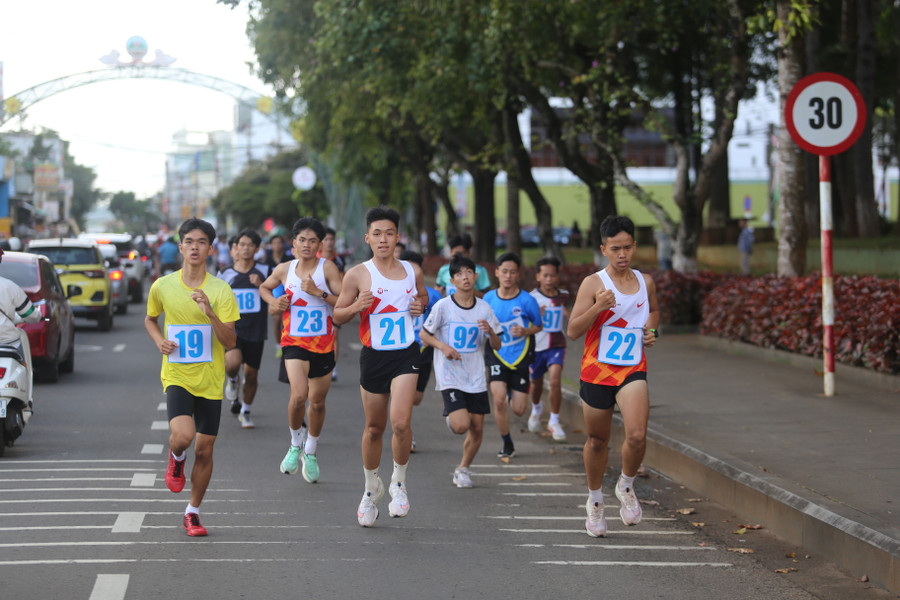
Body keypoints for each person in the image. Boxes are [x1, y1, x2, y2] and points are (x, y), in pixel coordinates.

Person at [144, 218, 239, 537]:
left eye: (201, 242)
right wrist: (159, 341)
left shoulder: (221, 290)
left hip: (210, 380)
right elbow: (150, 319)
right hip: (178, 375)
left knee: (206, 449)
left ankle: (193, 512)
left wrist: (210, 311)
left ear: (211, 248)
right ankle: (176, 455)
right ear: (180, 246)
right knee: (184, 437)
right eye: (189, 241)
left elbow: (230, 342)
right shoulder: (162, 286)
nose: (194, 247)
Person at [333, 206, 427, 527]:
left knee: (400, 423)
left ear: (398, 237)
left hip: (406, 354)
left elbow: (422, 297)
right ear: (368, 238)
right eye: (377, 234)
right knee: (374, 428)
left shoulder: (412, 271)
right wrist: (357, 306)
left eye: (389, 233)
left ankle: (398, 482)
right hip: (374, 356)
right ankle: (371, 487)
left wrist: (419, 305)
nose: (383, 239)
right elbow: (337, 315)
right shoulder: (358, 274)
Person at [566, 215, 660, 538]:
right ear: (604, 249)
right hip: (596, 370)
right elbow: (573, 330)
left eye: (628, 248)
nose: (622, 255)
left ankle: (626, 484)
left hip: (632, 367)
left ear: (635, 247)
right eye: (615, 249)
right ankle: (594, 501)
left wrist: (652, 331)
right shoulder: (593, 284)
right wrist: (597, 308)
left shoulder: (645, 283)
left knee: (637, 434)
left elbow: (654, 313)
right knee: (598, 441)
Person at [260, 217, 342, 484]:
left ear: (319, 244)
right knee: (298, 396)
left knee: (317, 402)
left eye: (312, 240)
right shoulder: (285, 269)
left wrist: (319, 293)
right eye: (302, 240)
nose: (307, 245)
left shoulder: (327, 269)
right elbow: (264, 287)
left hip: (323, 345)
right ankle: (295, 443)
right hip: (293, 342)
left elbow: (343, 302)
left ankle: (311, 450)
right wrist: (274, 302)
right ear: (293, 242)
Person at [419, 255, 502, 488]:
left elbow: (498, 345)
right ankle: (453, 417)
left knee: (477, 428)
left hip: (475, 375)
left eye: (469, 272)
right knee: (461, 425)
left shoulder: (485, 308)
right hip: (449, 374)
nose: (465, 277)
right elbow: (425, 335)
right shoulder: (443, 306)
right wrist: (443, 347)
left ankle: (463, 468)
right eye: (459, 274)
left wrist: (491, 333)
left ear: (475, 277)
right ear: (452, 280)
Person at [483, 252, 542, 460]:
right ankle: (507, 443)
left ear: (518, 275)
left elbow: (538, 325)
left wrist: (525, 331)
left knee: (518, 410)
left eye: (513, 272)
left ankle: (512, 393)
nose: (508, 276)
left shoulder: (527, 301)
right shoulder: (488, 299)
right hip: (497, 354)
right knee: (498, 401)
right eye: (504, 271)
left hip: (520, 356)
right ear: (497, 273)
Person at [217, 229, 271, 428]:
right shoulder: (225, 273)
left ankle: (245, 411)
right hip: (233, 328)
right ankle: (232, 380)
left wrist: (262, 285)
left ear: (256, 249)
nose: (246, 248)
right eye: (242, 245)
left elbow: (276, 294)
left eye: (250, 245)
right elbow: (215, 299)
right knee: (232, 363)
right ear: (236, 248)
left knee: (251, 375)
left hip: (256, 330)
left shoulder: (265, 271)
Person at [398, 249, 443, 452]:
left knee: (415, 398)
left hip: (423, 349)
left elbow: (439, 321)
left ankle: (402, 420)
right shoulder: (394, 289)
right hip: (400, 347)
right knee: (405, 396)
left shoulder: (433, 296)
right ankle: (407, 433)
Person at [527, 257, 570, 442]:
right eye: (545, 275)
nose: (549, 279)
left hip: (557, 345)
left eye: (553, 275)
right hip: (537, 347)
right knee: (536, 384)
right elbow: (522, 321)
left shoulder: (564, 296)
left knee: (554, 381)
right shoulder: (531, 298)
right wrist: (536, 314)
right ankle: (536, 408)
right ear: (538, 276)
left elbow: (570, 313)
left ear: (558, 276)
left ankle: (554, 420)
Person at [0, 246, 42, 405]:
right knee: (22, 366)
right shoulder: (8, 286)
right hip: (7, 343)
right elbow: (30, 314)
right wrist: (38, 316)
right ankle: (24, 402)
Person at [318, 227, 346, 380]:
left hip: (334, 303)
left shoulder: (339, 260)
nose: (329, 243)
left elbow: (343, 283)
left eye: (331, 240)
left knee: (334, 334)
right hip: (317, 304)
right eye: (326, 239)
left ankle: (333, 367)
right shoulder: (314, 259)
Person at [265, 233, 293, 355]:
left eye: (279, 243)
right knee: (277, 321)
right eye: (274, 243)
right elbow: (265, 282)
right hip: (274, 294)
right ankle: (278, 345)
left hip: (288, 294)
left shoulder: (289, 260)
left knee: (286, 321)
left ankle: (288, 343)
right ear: (271, 246)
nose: (277, 245)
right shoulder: (267, 260)